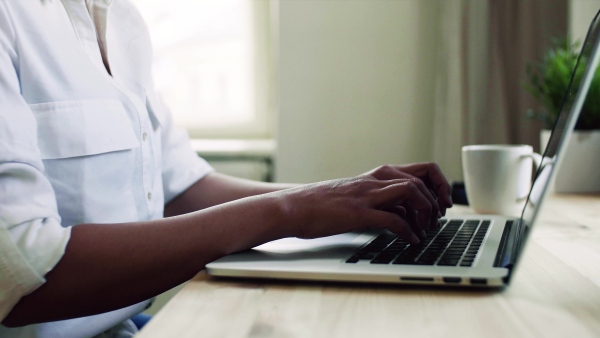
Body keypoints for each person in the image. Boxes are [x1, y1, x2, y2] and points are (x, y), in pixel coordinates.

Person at [0, 1, 452, 337]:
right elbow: (25, 275)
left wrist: (345, 200)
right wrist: (290, 210)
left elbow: (181, 188)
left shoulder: (119, 19)